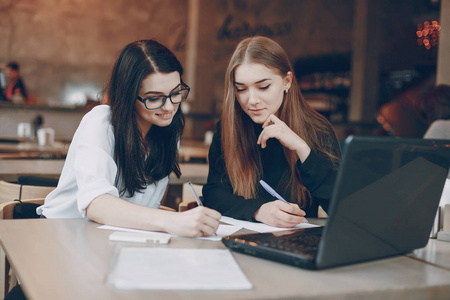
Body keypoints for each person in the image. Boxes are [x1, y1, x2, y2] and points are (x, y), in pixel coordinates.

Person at [36, 40, 221, 237]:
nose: (168, 107)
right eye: (154, 98)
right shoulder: (101, 122)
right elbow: (96, 203)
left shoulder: (166, 131)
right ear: (128, 95)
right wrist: (172, 220)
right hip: (63, 235)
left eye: (175, 93)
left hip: (114, 239)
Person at [202, 36, 341, 228]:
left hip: (295, 243)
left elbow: (340, 207)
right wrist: (258, 210)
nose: (252, 100)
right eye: (241, 89)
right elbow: (213, 194)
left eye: (263, 87)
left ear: (287, 81)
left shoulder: (318, 130)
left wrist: (301, 148)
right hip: (241, 239)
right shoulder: (229, 128)